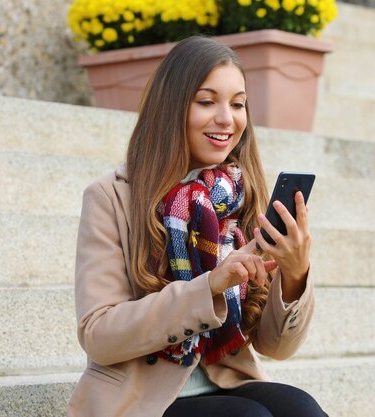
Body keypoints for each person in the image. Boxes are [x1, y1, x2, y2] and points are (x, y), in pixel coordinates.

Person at [67, 35, 327, 417]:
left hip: (226, 382)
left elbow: (276, 347)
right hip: (140, 400)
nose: (227, 118)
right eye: (207, 102)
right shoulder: (112, 198)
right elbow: (99, 335)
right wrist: (210, 286)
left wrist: (296, 272)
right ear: (171, 108)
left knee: (300, 409)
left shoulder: (241, 196)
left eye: (238, 104)